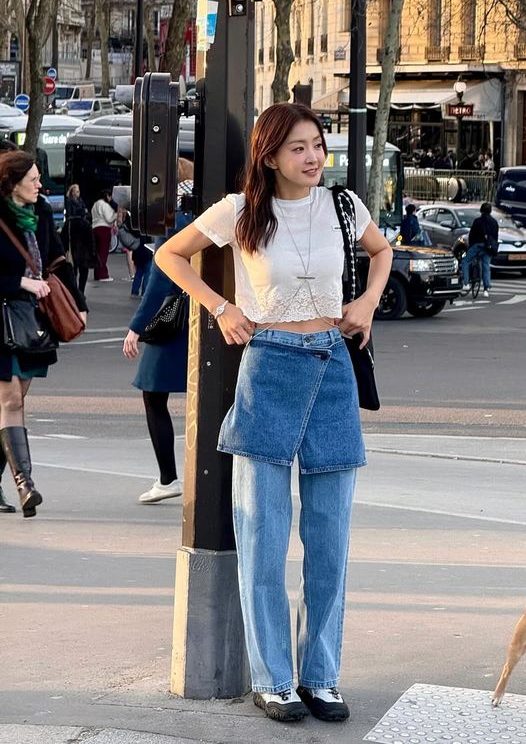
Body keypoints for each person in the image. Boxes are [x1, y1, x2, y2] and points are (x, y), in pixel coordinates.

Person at [155, 103, 392, 723]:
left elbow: (382, 253)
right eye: (298, 148)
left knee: (329, 541)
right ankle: (273, 679)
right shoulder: (239, 212)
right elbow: (170, 255)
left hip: (334, 364)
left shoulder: (343, 206)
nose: (313, 157)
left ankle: (323, 676)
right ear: (268, 155)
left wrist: (366, 302)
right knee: (262, 536)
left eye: (317, 145)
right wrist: (221, 307)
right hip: (270, 361)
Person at [0, 151, 87, 516]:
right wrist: (20, 282)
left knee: (14, 401)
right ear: (12, 183)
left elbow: (56, 261)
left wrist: (79, 303)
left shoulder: (40, 214)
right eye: (34, 179)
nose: (41, 185)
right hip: (2, 317)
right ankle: (26, 486)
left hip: (33, 323)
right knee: (10, 402)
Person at [122, 166, 195, 504]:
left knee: (153, 395)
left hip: (172, 321)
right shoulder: (201, 214)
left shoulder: (173, 223)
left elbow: (159, 281)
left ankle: (168, 477)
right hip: (201, 315)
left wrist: (136, 326)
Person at [61, 184, 95, 296]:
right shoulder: (84, 223)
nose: (77, 193)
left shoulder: (69, 223)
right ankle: (80, 292)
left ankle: (76, 292)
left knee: (74, 271)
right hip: (82, 251)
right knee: (82, 271)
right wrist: (92, 252)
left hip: (74, 249)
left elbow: (64, 237)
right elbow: (90, 240)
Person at [463, 201, 499, 297]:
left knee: (466, 261)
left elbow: (471, 235)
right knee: (486, 266)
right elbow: (495, 236)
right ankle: (486, 289)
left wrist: (470, 246)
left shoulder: (477, 221)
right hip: (488, 247)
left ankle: (466, 283)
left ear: (481, 210)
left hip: (477, 245)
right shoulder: (494, 222)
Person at [91, 189, 117, 282]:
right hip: (104, 229)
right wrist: (116, 215)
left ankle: (97, 274)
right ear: (106, 196)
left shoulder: (95, 205)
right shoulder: (104, 205)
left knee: (97, 253)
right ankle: (103, 275)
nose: (110, 199)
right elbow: (109, 218)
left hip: (95, 229)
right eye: (110, 196)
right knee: (103, 253)